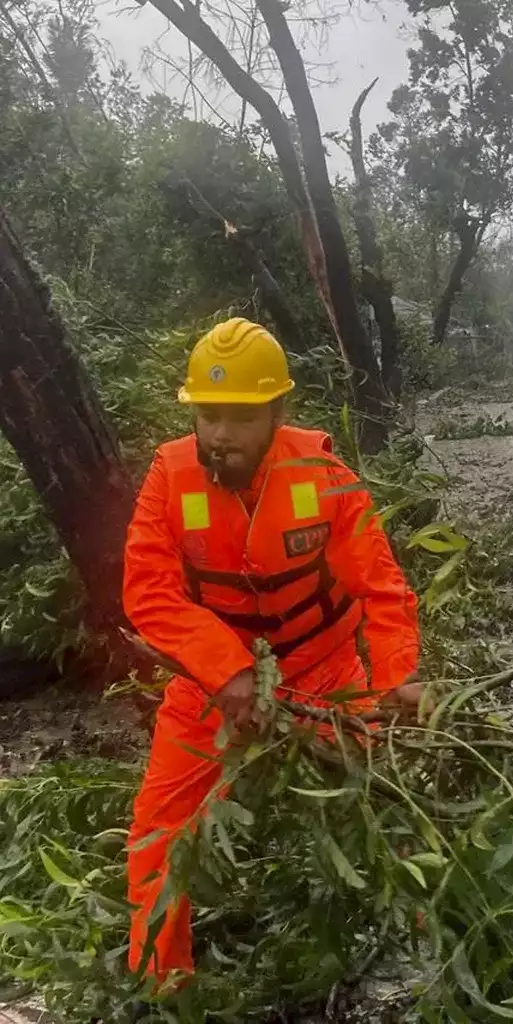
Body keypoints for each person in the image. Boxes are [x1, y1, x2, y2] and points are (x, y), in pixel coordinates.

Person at [122, 318, 422, 984]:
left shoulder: (324, 476)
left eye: (240, 416)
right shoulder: (170, 478)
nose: (220, 433)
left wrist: (399, 677)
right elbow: (148, 592)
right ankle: (164, 984)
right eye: (208, 415)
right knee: (158, 833)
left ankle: (427, 940)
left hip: (323, 671)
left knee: (391, 799)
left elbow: (381, 588)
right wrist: (223, 668)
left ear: (277, 412)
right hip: (211, 682)